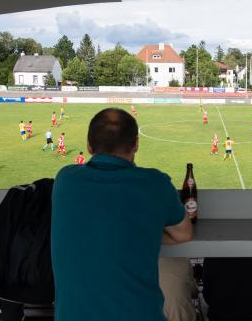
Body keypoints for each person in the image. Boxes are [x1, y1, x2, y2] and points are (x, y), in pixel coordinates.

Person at [51, 108, 192, 321]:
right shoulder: (155, 183)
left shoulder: (65, 180)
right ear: (136, 144)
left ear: (89, 146)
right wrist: (143, 232)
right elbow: (183, 234)